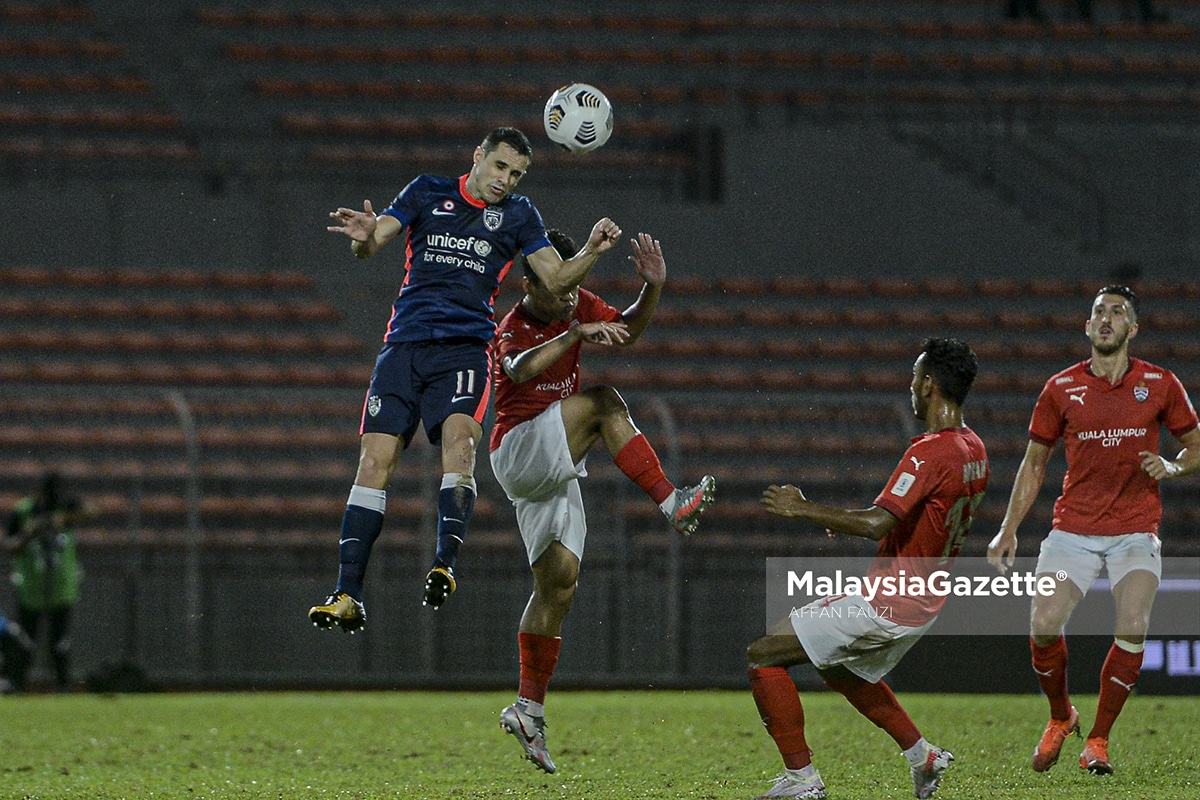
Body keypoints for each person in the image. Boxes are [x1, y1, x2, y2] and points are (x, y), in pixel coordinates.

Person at [308, 127, 623, 627]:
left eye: (516, 173)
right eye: (500, 166)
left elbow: (559, 278)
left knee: (460, 446)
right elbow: (375, 240)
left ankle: (444, 564)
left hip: (464, 351)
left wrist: (591, 251)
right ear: (478, 157)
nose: (505, 180)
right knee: (374, 461)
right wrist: (365, 238)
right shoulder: (427, 190)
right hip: (404, 347)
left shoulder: (519, 216)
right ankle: (348, 593)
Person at [490, 228, 716, 774]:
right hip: (519, 448)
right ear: (530, 280)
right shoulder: (511, 325)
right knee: (604, 402)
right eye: (559, 287)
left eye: (575, 288)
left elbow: (627, 331)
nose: (570, 299)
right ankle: (670, 502)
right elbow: (518, 369)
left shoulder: (576, 303)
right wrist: (575, 333)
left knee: (558, 585)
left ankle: (528, 708)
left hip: (554, 465)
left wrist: (652, 290)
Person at [748, 338, 988, 800]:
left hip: (888, 601)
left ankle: (802, 780)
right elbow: (916, 520)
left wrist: (803, 508)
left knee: (763, 655)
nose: (911, 387)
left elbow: (879, 522)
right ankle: (923, 756)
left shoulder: (930, 452)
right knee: (840, 669)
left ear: (930, 384)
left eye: (915, 378)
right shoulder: (974, 446)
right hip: (925, 599)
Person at [987, 285, 1199, 776]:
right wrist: (1008, 529)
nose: (1106, 319)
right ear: (1087, 327)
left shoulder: (1161, 383)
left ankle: (1098, 740)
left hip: (1135, 527)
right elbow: (1034, 462)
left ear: (1133, 328)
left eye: (1117, 312)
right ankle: (1062, 716)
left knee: (1133, 624)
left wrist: (1171, 466)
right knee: (1043, 625)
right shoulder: (1060, 388)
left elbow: (1196, 448)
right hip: (1074, 527)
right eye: (1098, 312)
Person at [4, 472, 90, 691]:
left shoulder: (66, 507)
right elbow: (9, 547)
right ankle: (18, 685)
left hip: (62, 588)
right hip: (31, 588)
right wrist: (29, 534)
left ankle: (63, 687)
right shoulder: (24, 511)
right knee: (25, 642)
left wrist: (64, 520)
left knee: (60, 642)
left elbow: (90, 512)